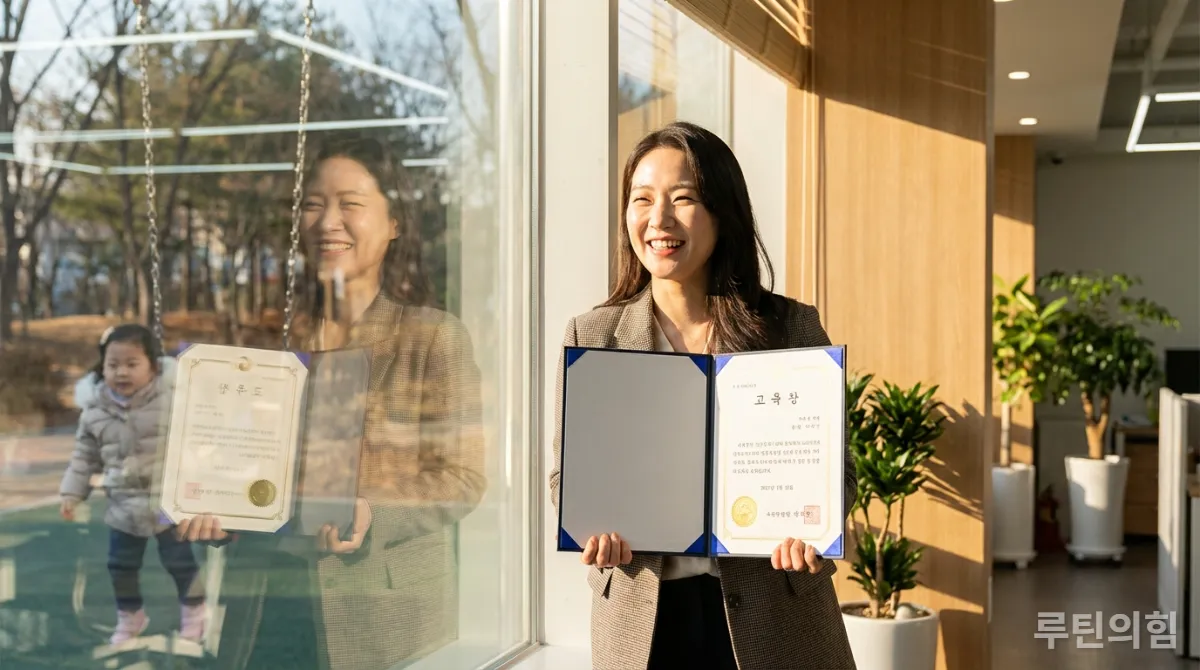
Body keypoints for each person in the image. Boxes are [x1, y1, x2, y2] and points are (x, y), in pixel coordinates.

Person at [548, 121, 858, 670]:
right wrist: (593, 525)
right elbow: (564, 477)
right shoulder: (591, 337)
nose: (659, 219)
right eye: (641, 200)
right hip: (643, 615)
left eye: (683, 199)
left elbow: (838, 473)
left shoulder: (791, 328)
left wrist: (810, 527)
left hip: (774, 609)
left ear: (722, 211)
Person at [176, 134, 486, 670]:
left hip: (381, 611)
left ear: (394, 225)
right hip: (269, 606)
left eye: (351, 204)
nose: (327, 221)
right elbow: (243, 465)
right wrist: (218, 509)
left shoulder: (433, 337)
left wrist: (376, 513)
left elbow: (463, 478)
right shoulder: (268, 344)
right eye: (314, 205)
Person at [59, 324, 206, 646]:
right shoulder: (95, 411)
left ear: (154, 365)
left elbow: (200, 437)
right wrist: (72, 493)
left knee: (180, 563)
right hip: (124, 505)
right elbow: (84, 458)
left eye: (131, 364)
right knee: (120, 567)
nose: (121, 372)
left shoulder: (172, 400)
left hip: (169, 502)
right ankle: (130, 617)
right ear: (102, 368)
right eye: (112, 365)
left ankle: (194, 616)